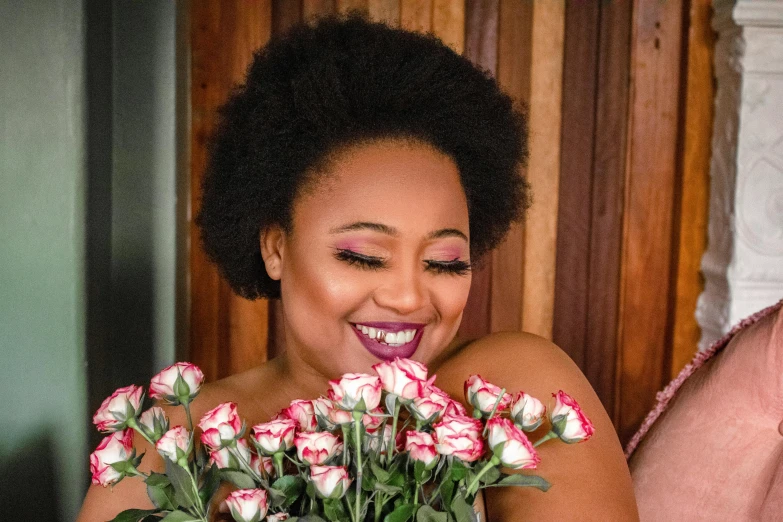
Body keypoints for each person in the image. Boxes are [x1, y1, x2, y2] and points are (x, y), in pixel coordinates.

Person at [78, 13, 638, 521]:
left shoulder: (515, 391)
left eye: (445, 262)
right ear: (275, 248)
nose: (406, 297)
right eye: (363, 256)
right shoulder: (167, 444)